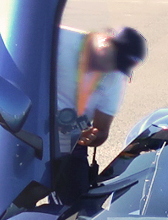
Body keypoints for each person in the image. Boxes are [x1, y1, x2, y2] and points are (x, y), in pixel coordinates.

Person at [52, 25, 145, 199]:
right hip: (26, 121)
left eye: (120, 66)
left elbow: (102, 131)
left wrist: (93, 137)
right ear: (106, 41)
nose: (113, 69)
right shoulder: (59, 38)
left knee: (76, 201)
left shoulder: (115, 78)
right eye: (115, 60)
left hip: (69, 140)